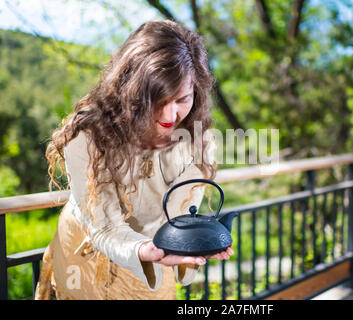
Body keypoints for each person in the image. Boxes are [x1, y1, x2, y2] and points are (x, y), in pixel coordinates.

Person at [35, 20, 233, 300]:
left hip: (156, 255)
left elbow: (180, 213)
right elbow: (104, 226)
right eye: (157, 100)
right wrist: (142, 249)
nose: (169, 116)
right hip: (87, 254)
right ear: (130, 88)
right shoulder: (88, 136)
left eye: (182, 99)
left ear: (197, 92)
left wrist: (193, 242)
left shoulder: (198, 140)